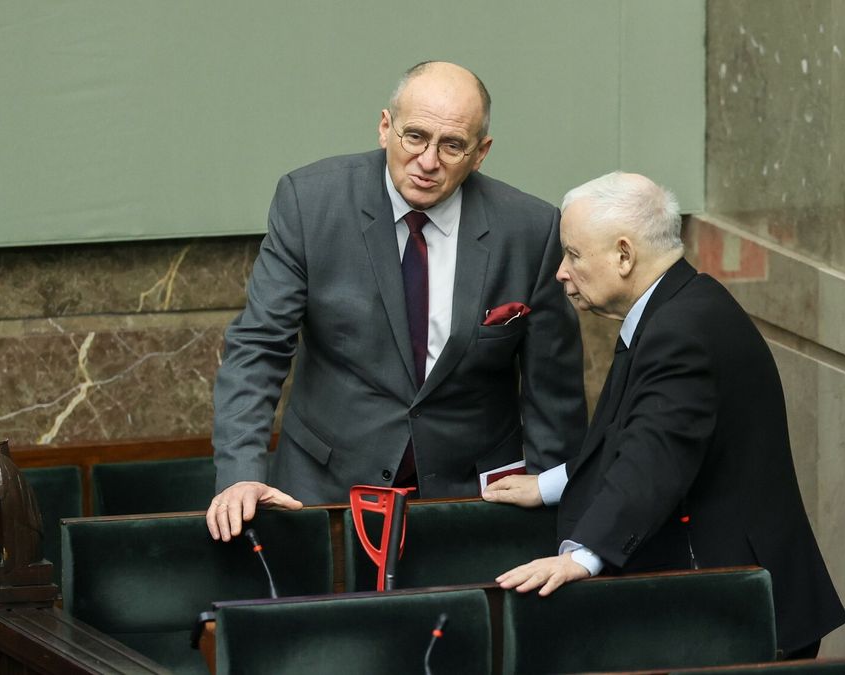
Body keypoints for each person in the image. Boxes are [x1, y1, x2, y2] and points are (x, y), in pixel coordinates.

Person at [207, 61, 586, 542]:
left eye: (452, 146)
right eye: (415, 137)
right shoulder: (310, 202)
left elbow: (554, 391)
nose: (428, 161)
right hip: (325, 489)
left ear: (481, 153)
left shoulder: (530, 230)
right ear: (385, 127)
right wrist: (242, 472)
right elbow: (258, 348)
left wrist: (560, 519)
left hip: (472, 501)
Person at [484, 172, 845, 658]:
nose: (560, 273)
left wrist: (584, 557)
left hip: (741, 614)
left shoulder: (681, 331)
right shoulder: (679, 304)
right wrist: (551, 483)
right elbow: (630, 432)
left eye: (572, 254)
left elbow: (656, 454)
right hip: (730, 600)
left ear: (624, 255)